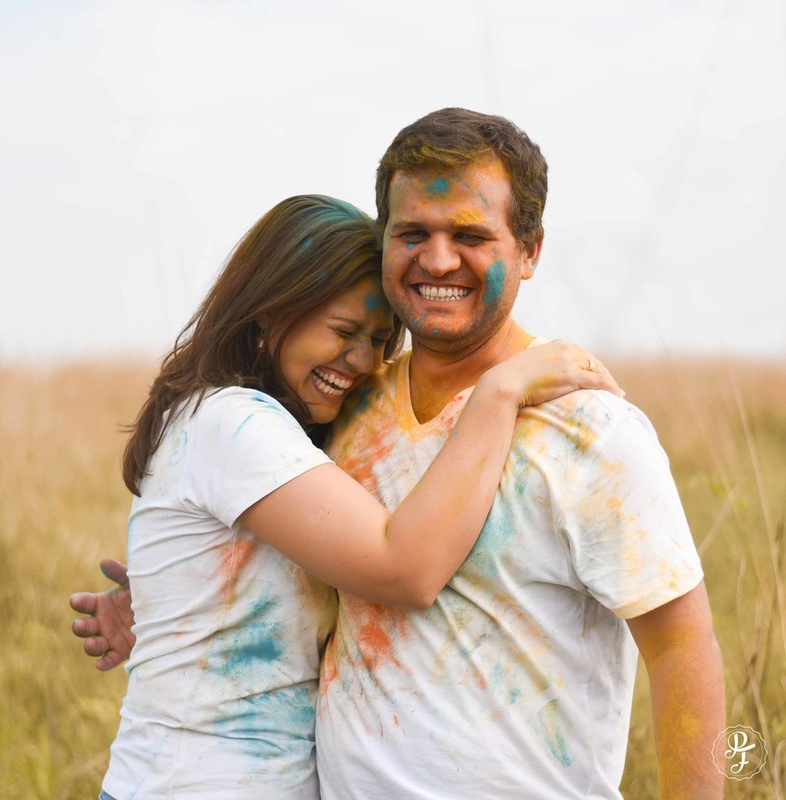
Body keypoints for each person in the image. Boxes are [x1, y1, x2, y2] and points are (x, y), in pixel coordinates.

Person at [72, 110, 724, 799]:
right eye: (413, 233)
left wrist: (735, 775)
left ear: (529, 250)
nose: (438, 260)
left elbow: (687, 648)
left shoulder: (590, 428)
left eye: (470, 235)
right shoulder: (343, 407)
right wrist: (169, 599)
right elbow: (275, 540)